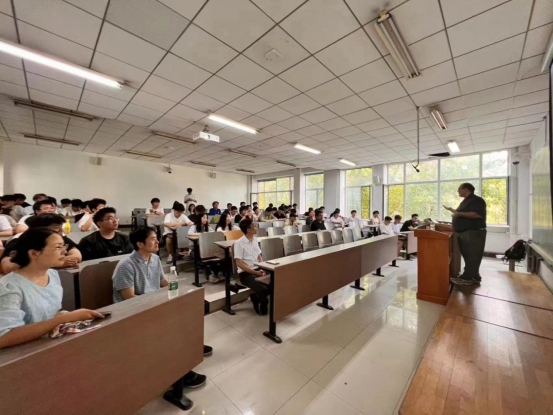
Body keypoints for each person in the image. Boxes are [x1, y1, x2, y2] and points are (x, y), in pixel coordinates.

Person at [111, 227, 209, 407]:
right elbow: (129, 299)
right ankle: (179, 373)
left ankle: (189, 356)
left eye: (157, 238)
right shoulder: (126, 265)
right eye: (153, 239)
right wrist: (159, 307)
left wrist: (178, 292)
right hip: (133, 313)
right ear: (140, 244)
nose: (158, 242)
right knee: (171, 334)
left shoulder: (155, 258)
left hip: (154, 306)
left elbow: (163, 282)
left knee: (190, 316)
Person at [0, 229, 104, 349]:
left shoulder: (52, 274)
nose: (64, 252)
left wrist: (66, 317)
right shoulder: (9, 287)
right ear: (34, 253)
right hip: (20, 352)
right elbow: (4, 337)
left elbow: (51, 313)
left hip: (44, 344)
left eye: (64, 246)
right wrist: (65, 318)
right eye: (58, 247)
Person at [1, 214, 82, 274]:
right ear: (40, 228)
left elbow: (77, 255)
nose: (61, 231)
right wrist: (55, 263)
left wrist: (49, 263)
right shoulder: (18, 242)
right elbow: (7, 267)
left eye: (61, 227)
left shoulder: (61, 239)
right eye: (56, 227)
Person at [444, 183, 487, 286]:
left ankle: (467, 278)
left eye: (459, 189)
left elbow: (476, 214)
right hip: (465, 232)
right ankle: (475, 276)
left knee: (472, 255)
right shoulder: (467, 201)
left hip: (473, 232)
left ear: (466, 189)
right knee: (469, 256)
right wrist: (453, 211)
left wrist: (458, 214)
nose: (458, 191)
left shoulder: (476, 200)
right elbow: (464, 214)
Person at [234, 219, 268, 315]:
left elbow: (259, 256)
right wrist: (255, 272)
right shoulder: (239, 243)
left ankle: (256, 297)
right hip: (246, 273)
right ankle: (260, 302)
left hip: (258, 269)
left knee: (273, 282)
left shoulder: (255, 240)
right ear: (248, 229)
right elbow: (239, 263)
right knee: (263, 289)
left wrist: (262, 268)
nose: (256, 228)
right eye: (254, 226)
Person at [188, 214, 223, 282]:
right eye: (203, 218)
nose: (205, 219)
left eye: (206, 218)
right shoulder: (194, 227)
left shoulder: (208, 227)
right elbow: (189, 233)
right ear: (199, 218)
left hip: (206, 249)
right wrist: (202, 235)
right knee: (202, 255)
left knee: (214, 255)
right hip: (194, 250)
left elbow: (213, 234)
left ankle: (216, 273)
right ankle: (211, 274)